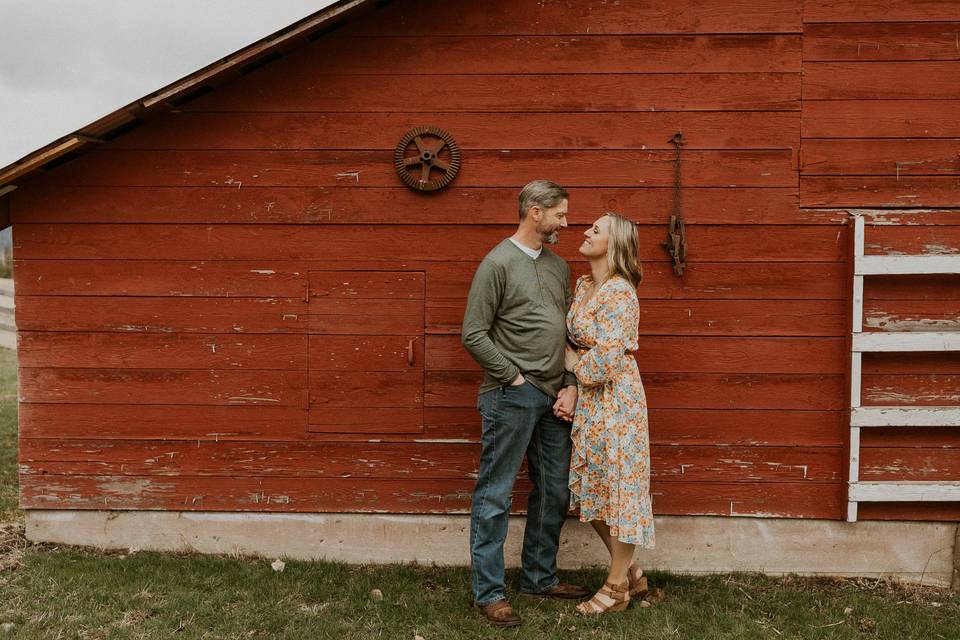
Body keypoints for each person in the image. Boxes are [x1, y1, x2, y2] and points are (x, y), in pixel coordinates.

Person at [461, 179, 588, 627]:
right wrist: (513, 376)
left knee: (555, 489)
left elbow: (570, 335)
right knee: (495, 494)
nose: (565, 223)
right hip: (510, 395)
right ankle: (489, 592)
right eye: (560, 214)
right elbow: (473, 333)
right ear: (535, 212)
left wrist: (570, 383)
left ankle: (538, 576)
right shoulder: (497, 263)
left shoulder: (558, 266)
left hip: (556, 396)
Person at [563, 212, 655, 615]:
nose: (585, 231)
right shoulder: (584, 284)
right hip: (591, 400)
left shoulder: (620, 293)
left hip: (617, 400)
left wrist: (573, 366)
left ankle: (616, 588)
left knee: (621, 491)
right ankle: (631, 569)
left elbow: (607, 358)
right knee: (594, 488)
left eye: (596, 230)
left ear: (613, 244)